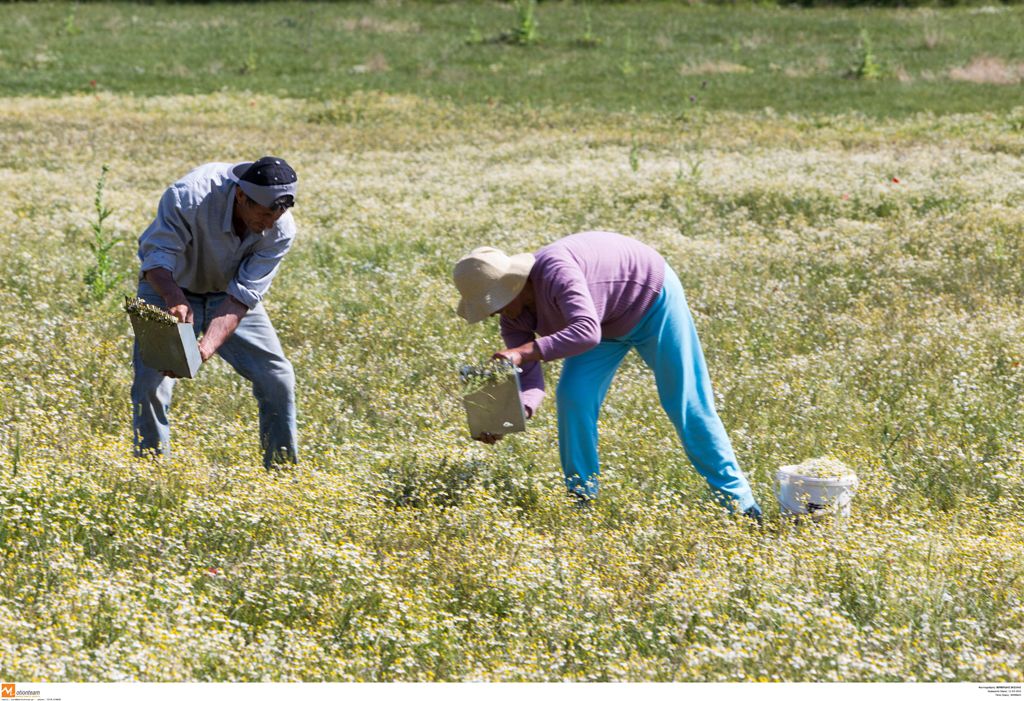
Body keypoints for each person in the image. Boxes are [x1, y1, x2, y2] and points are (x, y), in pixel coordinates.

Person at [452, 231, 763, 520]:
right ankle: (582, 498)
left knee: (686, 402)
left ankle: (740, 505)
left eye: (493, 303)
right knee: (574, 398)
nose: (492, 313)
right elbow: (532, 382)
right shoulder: (513, 318)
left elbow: (586, 332)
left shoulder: (555, 269)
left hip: (651, 301)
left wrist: (524, 351)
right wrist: (508, 417)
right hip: (602, 326)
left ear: (513, 285)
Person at [131, 157, 299, 470]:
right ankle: (150, 472)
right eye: (262, 213)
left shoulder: (280, 229)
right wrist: (173, 296)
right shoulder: (189, 196)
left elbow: (242, 296)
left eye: (277, 214)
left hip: (227, 293)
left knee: (278, 376)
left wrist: (205, 347)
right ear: (240, 196)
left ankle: (282, 474)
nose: (269, 223)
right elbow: (156, 257)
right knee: (150, 383)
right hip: (168, 284)